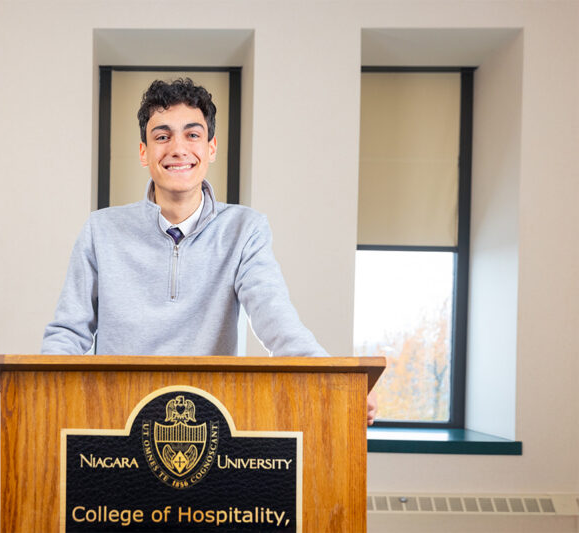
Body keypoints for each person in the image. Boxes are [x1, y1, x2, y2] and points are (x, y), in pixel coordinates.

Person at [41, 78, 377, 424]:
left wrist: (339, 383)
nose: (178, 149)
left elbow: (277, 322)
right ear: (144, 152)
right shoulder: (101, 230)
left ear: (211, 148)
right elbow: (68, 332)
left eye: (192, 134)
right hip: (116, 420)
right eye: (162, 136)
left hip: (209, 426)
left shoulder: (245, 230)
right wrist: (37, 393)